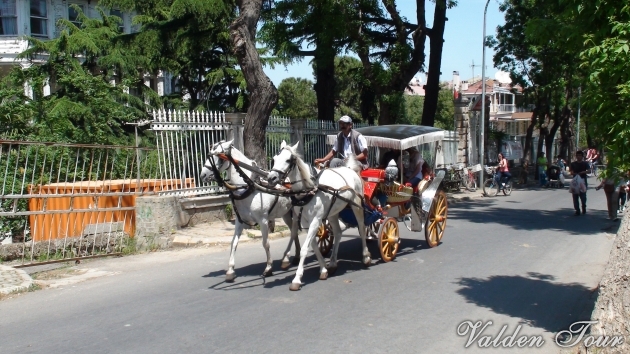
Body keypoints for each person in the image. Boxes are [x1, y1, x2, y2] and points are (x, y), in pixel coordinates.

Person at [569, 150, 591, 216]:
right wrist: (573, 173)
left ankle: (583, 206)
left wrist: (583, 172)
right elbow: (571, 172)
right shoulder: (573, 164)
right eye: (577, 155)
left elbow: (589, 171)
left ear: (582, 156)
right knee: (575, 196)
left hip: (583, 181)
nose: (578, 157)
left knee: (583, 196)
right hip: (575, 182)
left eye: (580, 155)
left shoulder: (585, 163)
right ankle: (577, 210)